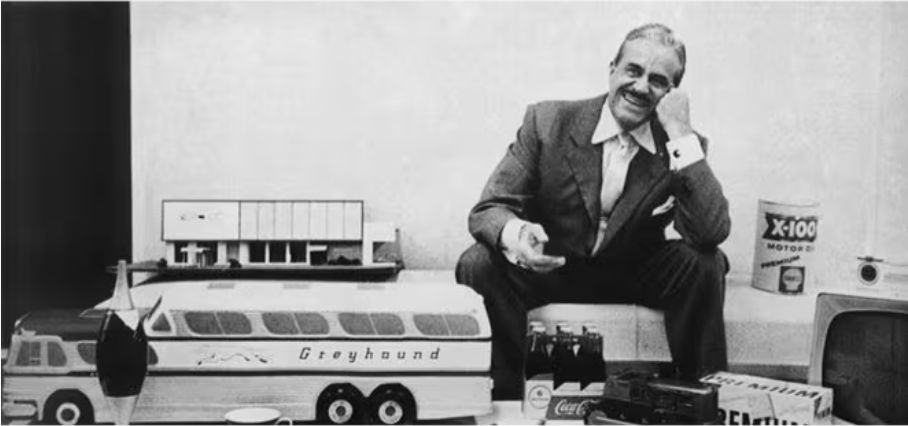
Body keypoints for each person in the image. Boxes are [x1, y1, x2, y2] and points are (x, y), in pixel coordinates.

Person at [456, 23, 731, 400]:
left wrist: (681, 131)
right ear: (612, 69)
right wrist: (518, 237)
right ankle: (506, 399)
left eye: (657, 80)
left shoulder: (682, 144)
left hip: (633, 269)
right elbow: (489, 209)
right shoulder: (548, 122)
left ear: (671, 93)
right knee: (478, 262)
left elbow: (710, 231)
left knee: (705, 262)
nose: (640, 86)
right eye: (633, 71)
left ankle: (701, 402)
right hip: (552, 265)